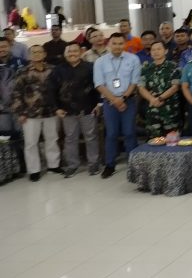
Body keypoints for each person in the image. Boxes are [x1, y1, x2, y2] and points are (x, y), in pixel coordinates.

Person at [94, 33, 141, 178]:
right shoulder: (100, 62)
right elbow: (99, 84)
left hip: (128, 100)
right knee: (112, 133)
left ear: (124, 44)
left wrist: (123, 98)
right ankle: (110, 165)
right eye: (114, 43)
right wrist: (115, 100)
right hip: (109, 102)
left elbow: (134, 82)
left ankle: (134, 164)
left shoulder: (133, 59)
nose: (117, 46)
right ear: (109, 44)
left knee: (129, 132)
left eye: (120, 43)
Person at [52, 43, 101, 177]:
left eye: (75, 51)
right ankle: (72, 165)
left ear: (81, 52)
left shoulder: (90, 67)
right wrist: (57, 108)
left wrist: (99, 103)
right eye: (69, 51)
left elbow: (98, 85)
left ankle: (93, 164)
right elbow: (52, 90)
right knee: (70, 138)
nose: (72, 54)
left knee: (91, 137)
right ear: (65, 54)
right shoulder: (58, 70)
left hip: (89, 107)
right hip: (67, 110)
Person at [11, 46, 58, 181]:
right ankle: (34, 170)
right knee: (31, 143)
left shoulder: (53, 70)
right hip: (30, 113)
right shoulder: (23, 72)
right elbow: (16, 93)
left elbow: (58, 89)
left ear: (45, 54)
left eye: (40, 52)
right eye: (34, 52)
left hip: (50, 111)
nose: (37, 54)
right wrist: (20, 112)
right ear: (29, 56)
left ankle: (53, 165)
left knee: (52, 139)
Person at [138, 41, 181, 139]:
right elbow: (141, 87)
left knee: (172, 140)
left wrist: (160, 98)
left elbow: (175, 87)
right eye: (153, 50)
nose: (156, 52)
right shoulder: (146, 68)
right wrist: (152, 99)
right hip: (153, 110)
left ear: (166, 51)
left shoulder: (173, 66)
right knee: (154, 139)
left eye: (159, 49)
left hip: (170, 110)